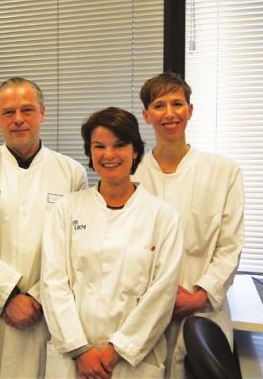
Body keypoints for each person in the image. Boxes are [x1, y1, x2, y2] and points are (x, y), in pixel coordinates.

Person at [0, 77, 88, 378]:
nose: (18, 120)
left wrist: (36, 297)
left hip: (44, 313)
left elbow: (75, 251)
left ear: (43, 113)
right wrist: (10, 296)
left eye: (27, 110)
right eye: (8, 112)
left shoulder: (71, 174)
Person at [41, 107, 184, 379]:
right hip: (73, 358)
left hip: (133, 360)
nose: (109, 155)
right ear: (90, 153)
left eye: (119, 145)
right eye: (99, 146)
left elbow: (162, 295)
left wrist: (115, 351)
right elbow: (53, 282)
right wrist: (80, 349)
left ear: (135, 151)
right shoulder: (66, 209)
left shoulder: (163, 216)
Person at [132, 72, 245, 378]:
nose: (169, 113)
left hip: (203, 311)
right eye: (159, 105)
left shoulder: (223, 172)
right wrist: (158, 298)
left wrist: (199, 295)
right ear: (146, 115)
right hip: (143, 313)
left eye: (177, 104)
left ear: (190, 111)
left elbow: (230, 246)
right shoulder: (132, 175)